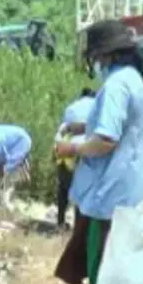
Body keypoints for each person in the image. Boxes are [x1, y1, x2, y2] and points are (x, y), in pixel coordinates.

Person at [53, 19, 143, 284]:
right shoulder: (137, 81)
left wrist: (72, 148)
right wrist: (84, 127)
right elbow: (126, 129)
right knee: (123, 268)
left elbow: (106, 141)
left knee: (102, 270)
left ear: (105, 54)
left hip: (111, 193)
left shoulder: (115, 86)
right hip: (133, 190)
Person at [54, 87, 96, 229]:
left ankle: (60, 222)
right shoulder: (97, 105)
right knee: (84, 189)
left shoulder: (71, 107)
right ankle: (79, 228)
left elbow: (64, 129)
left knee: (63, 186)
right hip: (84, 148)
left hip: (64, 148)